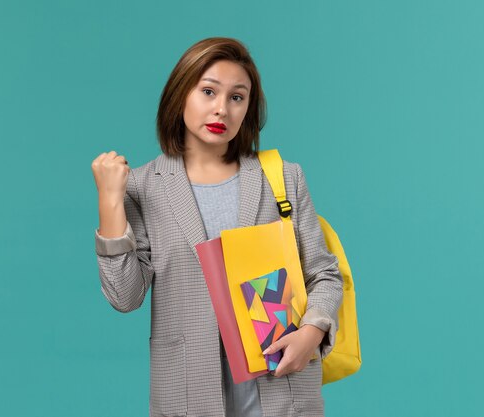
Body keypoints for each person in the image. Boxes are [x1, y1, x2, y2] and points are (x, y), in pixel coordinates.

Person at [91, 37, 344, 417]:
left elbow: (324, 274)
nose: (221, 109)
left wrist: (313, 333)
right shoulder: (143, 186)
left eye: (237, 97)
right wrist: (110, 202)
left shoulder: (283, 178)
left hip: (281, 393)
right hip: (189, 396)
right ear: (180, 95)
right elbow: (125, 297)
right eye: (208, 91)